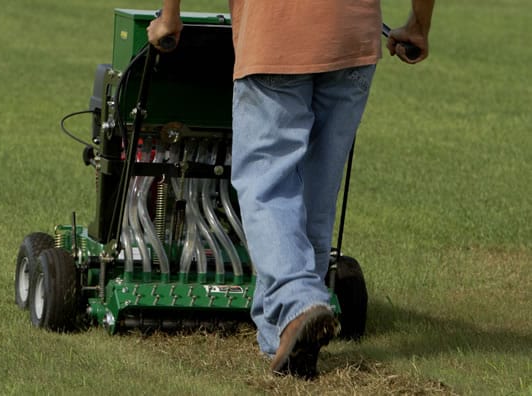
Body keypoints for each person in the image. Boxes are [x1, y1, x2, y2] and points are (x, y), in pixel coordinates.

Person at [148, 0, 435, 377]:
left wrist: (169, 17)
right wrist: (418, 25)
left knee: (267, 185)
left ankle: (299, 302)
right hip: (352, 38)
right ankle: (282, 337)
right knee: (316, 195)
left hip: (276, 37)